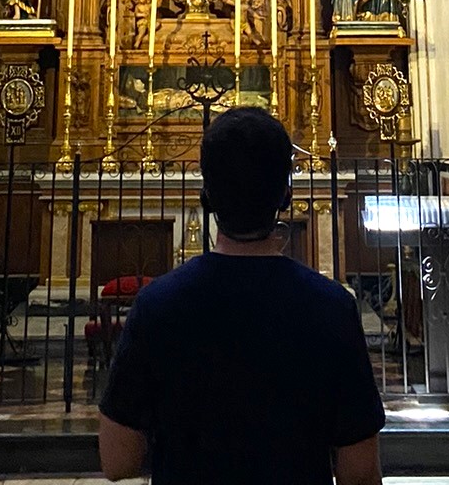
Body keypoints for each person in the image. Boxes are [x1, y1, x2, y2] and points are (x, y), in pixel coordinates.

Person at [98, 108, 384, 485]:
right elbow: (360, 472)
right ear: (285, 194)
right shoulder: (332, 307)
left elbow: (118, 462)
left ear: (207, 196)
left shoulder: (157, 306)